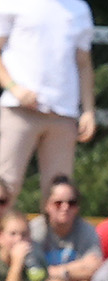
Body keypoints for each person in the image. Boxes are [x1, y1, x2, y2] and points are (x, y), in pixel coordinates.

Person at [0, 0, 95, 203]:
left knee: (59, 195)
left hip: (63, 113)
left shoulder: (79, 8)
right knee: (5, 187)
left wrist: (88, 110)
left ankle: (51, 227)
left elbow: (84, 63)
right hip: (19, 110)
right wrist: (14, 88)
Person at [29, 175, 95, 281]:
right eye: (58, 203)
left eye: (71, 203)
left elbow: (94, 267)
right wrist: (74, 268)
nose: (65, 207)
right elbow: (34, 272)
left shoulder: (87, 230)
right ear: (47, 205)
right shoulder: (34, 230)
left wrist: (57, 272)